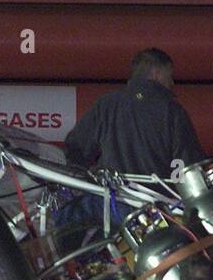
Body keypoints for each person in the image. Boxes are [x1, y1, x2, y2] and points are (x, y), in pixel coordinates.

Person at [64, 48, 205, 183]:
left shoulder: (106, 104)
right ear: (157, 74)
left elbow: (76, 149)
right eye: (169, 76)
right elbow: (189, 165)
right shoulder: (172, 111)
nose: (172, 83)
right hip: (156, 202)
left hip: (110, 200)